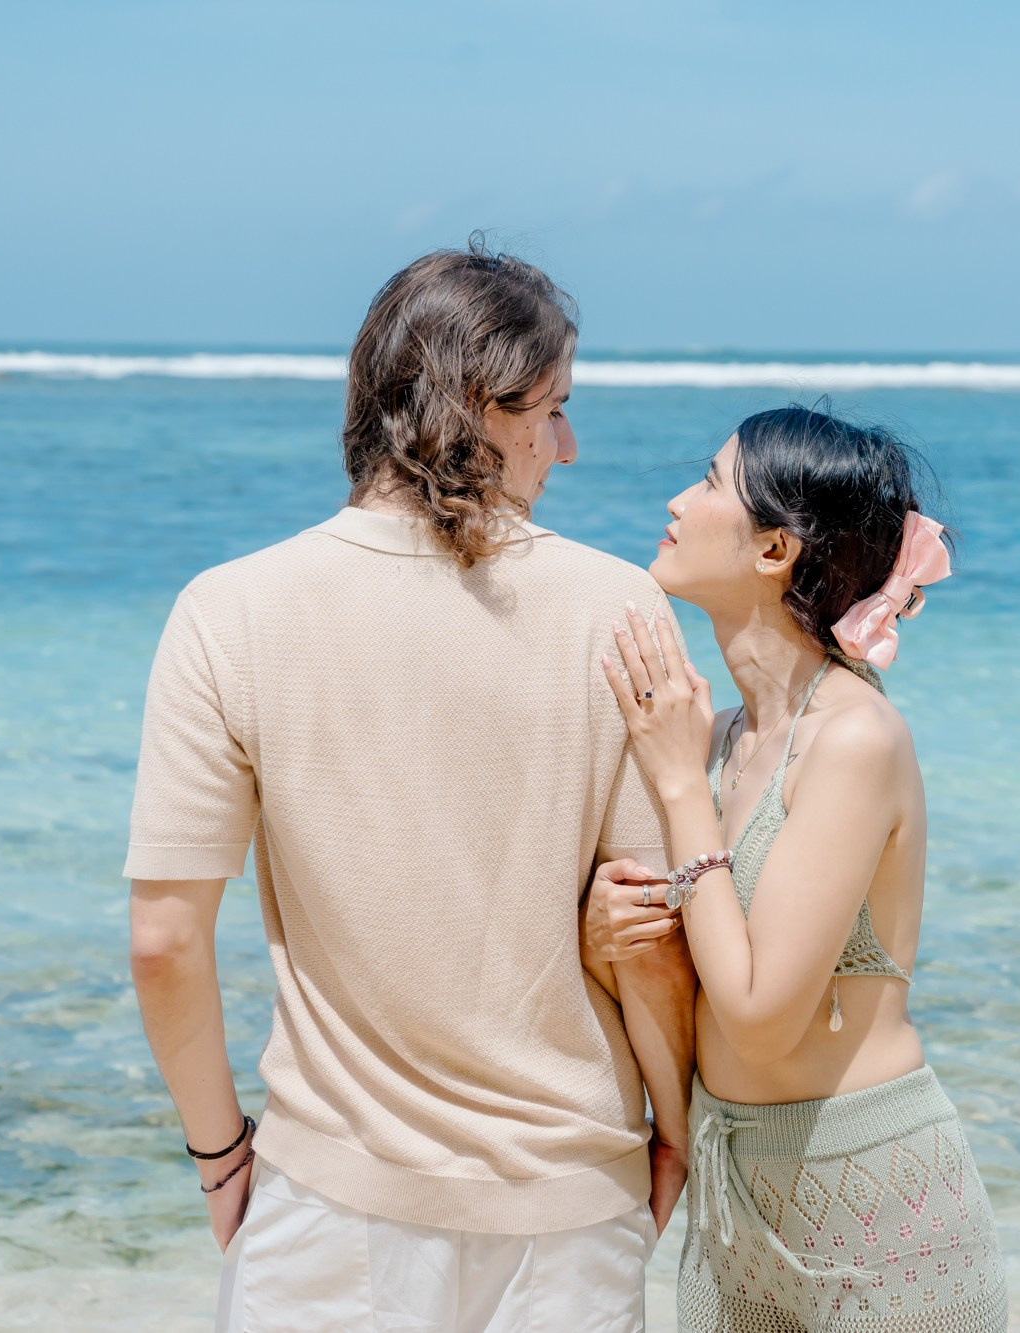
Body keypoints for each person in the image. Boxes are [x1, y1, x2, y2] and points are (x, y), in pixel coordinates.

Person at [125, 243, 696, 1333]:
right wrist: (672, 1137)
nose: (567, 449)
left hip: (328, 1206)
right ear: (482, 404)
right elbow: (649, 939)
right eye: (556, 409)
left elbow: (163, 942)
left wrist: (221, 1160)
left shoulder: (229, 608)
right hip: (569, 1211)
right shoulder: (622, 610)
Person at [583, 407, 1008, 1332]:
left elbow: (763, 1016)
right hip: (742, 1200)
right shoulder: (732, 741)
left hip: (877, 1209)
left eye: (704, 483)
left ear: (773, 549)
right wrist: (607, 936)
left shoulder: (853, 737)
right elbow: (705, 979)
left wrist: (673, 783)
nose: (675, 500)